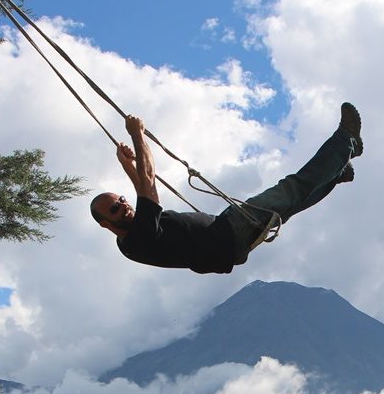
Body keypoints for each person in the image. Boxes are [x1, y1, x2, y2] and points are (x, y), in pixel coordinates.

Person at [90, 103, 363, 274]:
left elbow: (141, 189)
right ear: (105, 224)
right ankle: (347, 141)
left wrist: (127, 163)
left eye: (122, 200)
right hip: (231, 231)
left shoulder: (130, 241)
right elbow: (148, 184)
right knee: (291, 189)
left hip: (229, 243)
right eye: (116, 208)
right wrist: (137, 134)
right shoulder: (139, 237)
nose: (124, 206)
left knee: (292, 201)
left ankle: (337, 171)